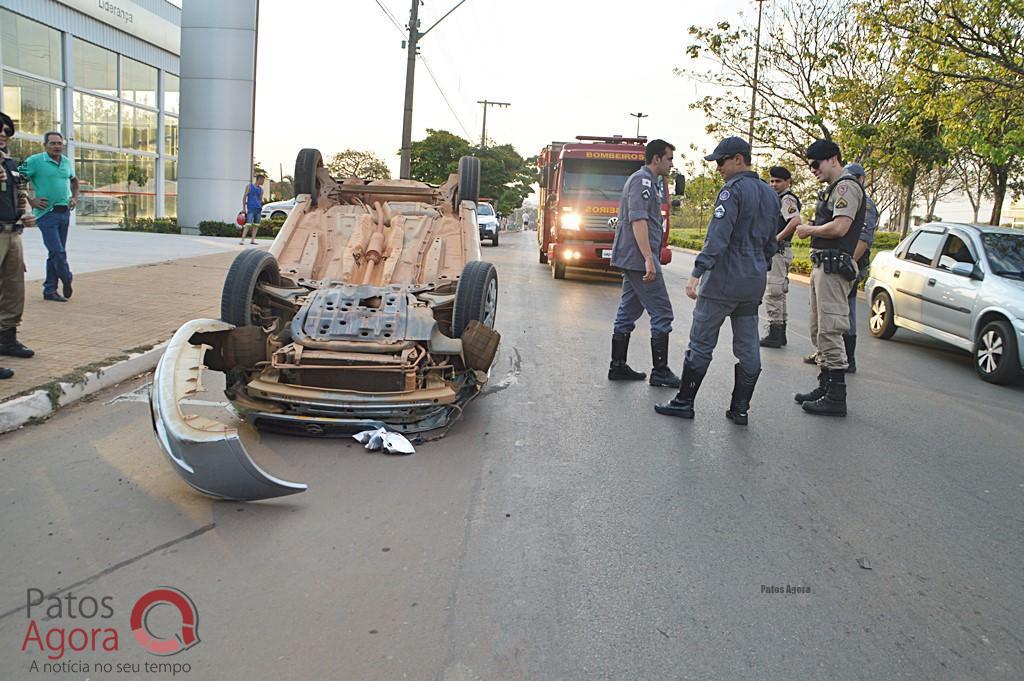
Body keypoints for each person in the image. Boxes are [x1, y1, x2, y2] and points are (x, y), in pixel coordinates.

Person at [655, 137, 779, 425]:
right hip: (753, 281)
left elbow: (717, 239)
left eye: (721, 162)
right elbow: (771, 243)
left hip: (724, 279)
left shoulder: (731, 192)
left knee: (701, 342)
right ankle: (740, 409)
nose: (718, 168)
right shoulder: (771, 195)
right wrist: (759, 266)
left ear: (739, 159)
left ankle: (684, 401)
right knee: (748, 346)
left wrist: (696, 274)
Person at [793, 140, 865, 416]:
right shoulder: (834, 188)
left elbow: (840, 226)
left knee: (831, 328)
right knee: (819, 328)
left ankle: (836, 396)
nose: (812, 170)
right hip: (824, 265)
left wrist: (809, 229)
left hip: (835, 267)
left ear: (832, 159)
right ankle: (825, 385)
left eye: (816, 164)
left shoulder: (846, 186)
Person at [608, 139, 680, 388]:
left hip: (635, 258)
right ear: (657, 158)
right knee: (662, 313)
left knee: (628, 311)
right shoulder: (643, 181)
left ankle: (617, 366)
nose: (672, 164)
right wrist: (650, 258)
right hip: (640, 260)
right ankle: (660, 372)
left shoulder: (649, 182)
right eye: (669, 158)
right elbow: (638, 220)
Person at [19, 132, 78, 302]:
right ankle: (67, 278)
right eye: (53, 143)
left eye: (59, 143)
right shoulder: (35, 161)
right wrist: (31, 200)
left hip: (64, 213)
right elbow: (17, 180)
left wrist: (74, 197)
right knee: (57, 252)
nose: (57, 146)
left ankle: (50, 290)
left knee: (55, 253)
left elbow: (74, 182)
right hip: (46, 214)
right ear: (45, 145)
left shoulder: (66, 162)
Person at [0, 112, 36, 377]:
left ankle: (7, 339)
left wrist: (23, 210)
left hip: (13, 233)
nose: (3, 135)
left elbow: (18, 193)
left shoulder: (10, 163)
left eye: (6, 131)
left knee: (14, 290)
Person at [759, 166, 802, 348]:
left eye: (778, 181)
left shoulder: (787, 199)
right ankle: (779, 332)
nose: (774, 184)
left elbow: (795, 221)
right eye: (772, 181)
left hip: (778, 251)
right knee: (779, 292)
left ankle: (774, 333)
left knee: (774, 292)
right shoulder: (777, 198)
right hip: (778, 251)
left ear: (787, 182)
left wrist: (776, 238)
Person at [841, 162, 878, 373]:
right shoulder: (847, 198)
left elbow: (863, 240)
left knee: (846, 312)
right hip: (844, 260)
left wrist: (847, 264)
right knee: (836, 311)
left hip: (853, 264)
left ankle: (848, 358)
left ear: (862, 179)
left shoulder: (867, 205)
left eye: (855, 177)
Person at [240, 174, 265, 244]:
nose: (263, 182)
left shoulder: (261, 190)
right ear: (259, 179)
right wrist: (244, 208)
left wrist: (260, 207)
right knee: (248, 224)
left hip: (258, 209)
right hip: (251, 208)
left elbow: (260, 200)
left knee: (256, 225)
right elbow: (244, 197)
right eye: (263, 180)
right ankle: (242, 240)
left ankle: (252, 240)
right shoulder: (249, 187)